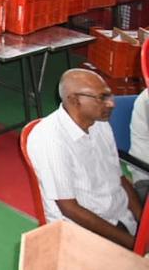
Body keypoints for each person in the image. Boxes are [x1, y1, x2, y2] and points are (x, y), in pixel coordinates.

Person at [26, 69, 142, 249]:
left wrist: (143, 223)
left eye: (110, 95)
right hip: (86, 232)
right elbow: (70, 208)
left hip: (120, 216)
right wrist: (134, 245)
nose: (111, 103)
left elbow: (118, 178)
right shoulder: (50, 139)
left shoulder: (100, 124)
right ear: (74, 100)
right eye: (102, 97)